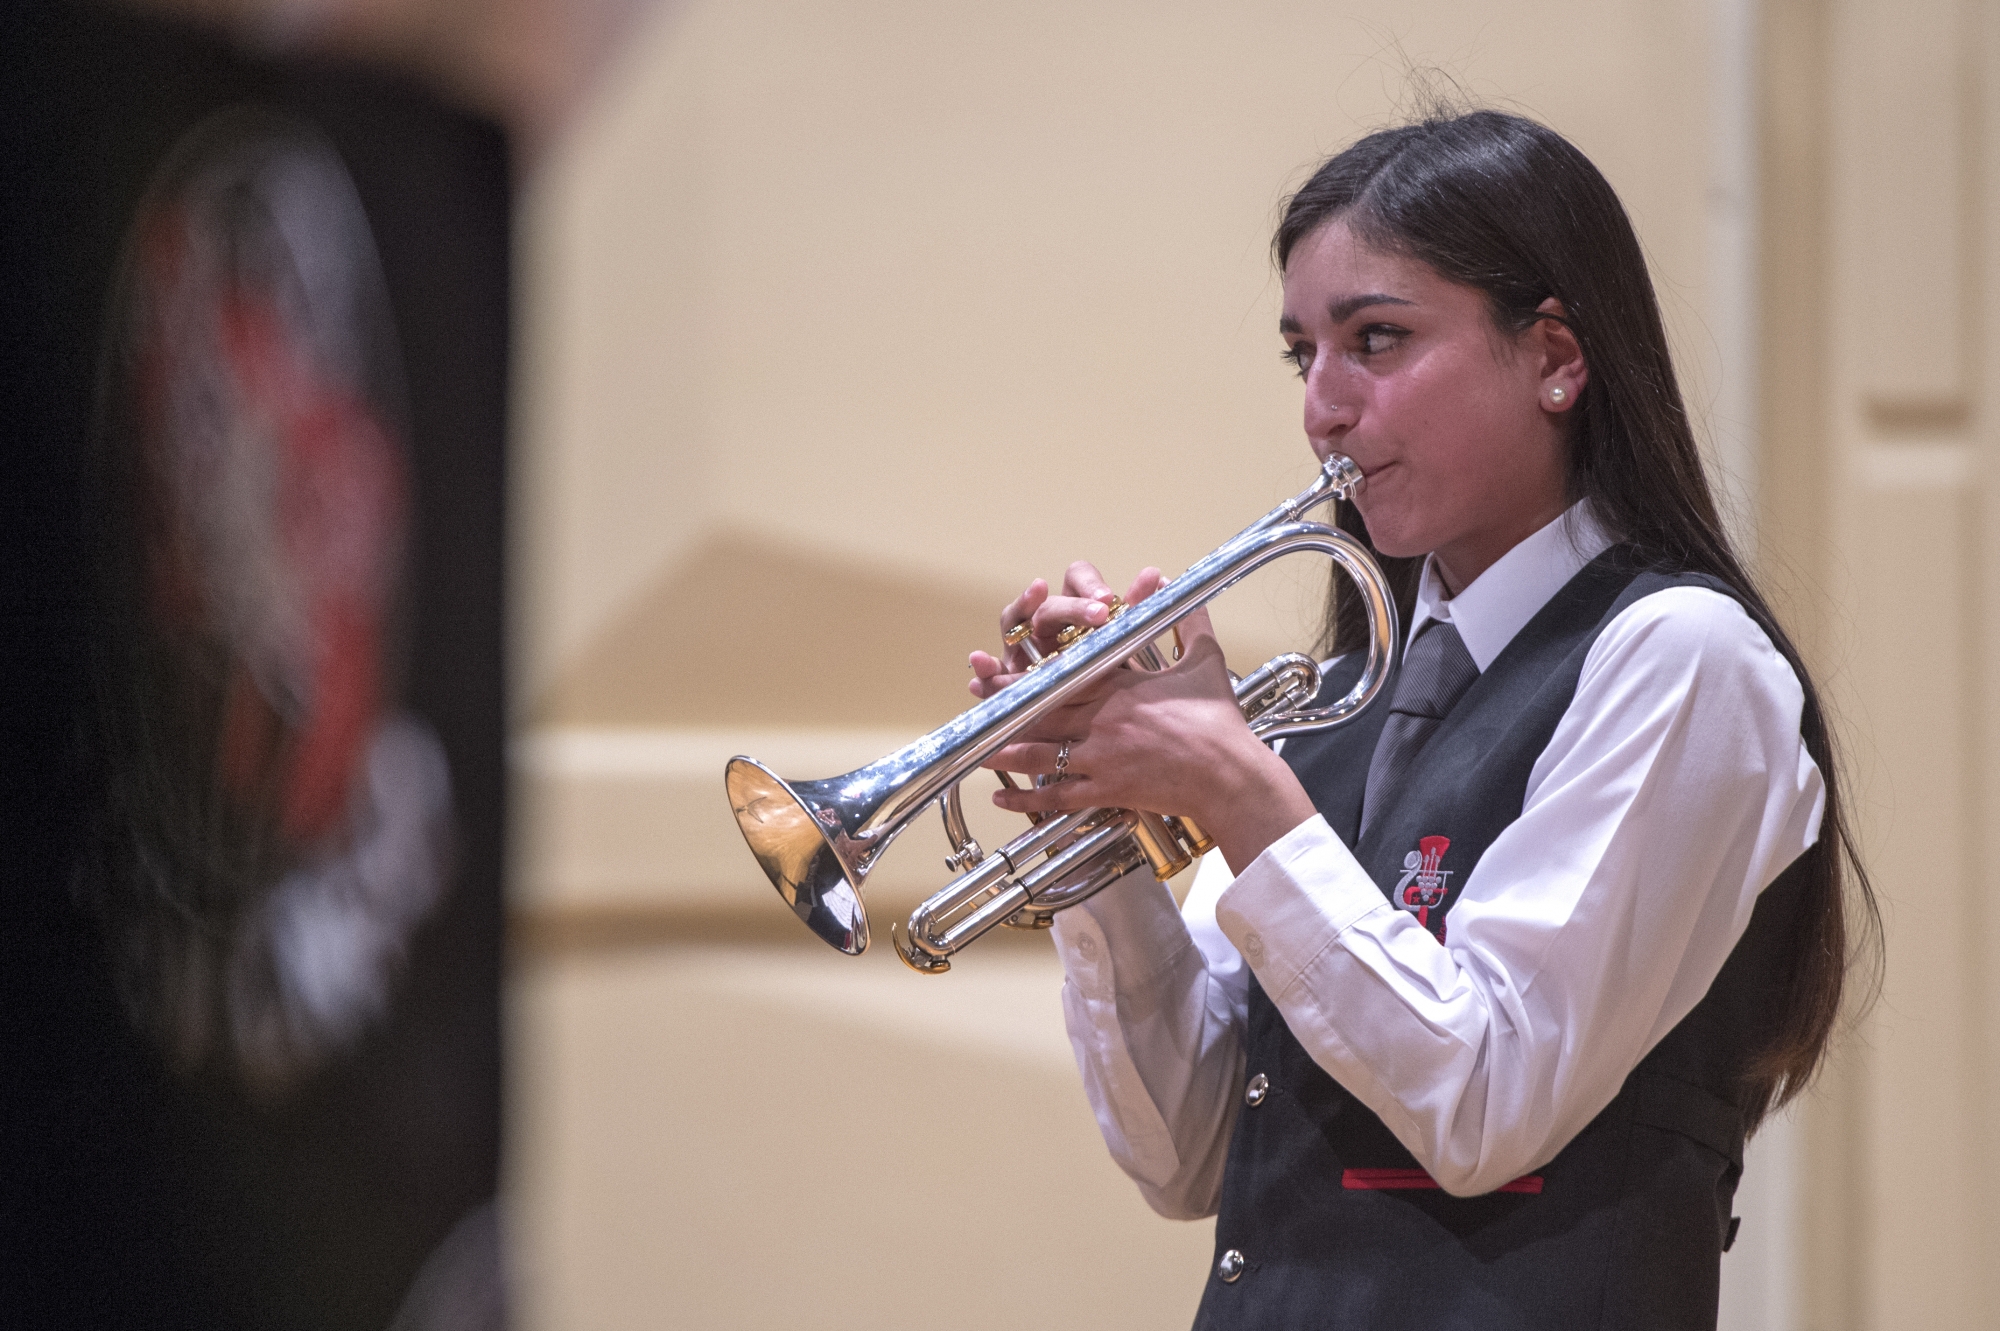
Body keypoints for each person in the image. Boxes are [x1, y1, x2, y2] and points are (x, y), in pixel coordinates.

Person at [965, 109, 1873, 1330]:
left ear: (1553, 355)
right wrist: (1103, 835)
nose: (1322, 409)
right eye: (1303, 356)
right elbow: (1183, 1153)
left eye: (1375, 340)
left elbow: (1484, 1100)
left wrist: (1234, 786)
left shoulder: (1680, 659)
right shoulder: (1338, 699)